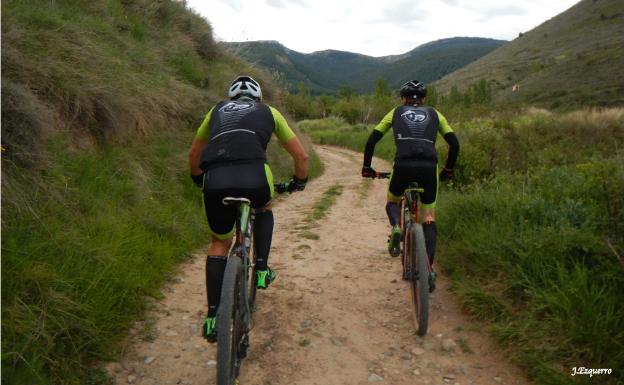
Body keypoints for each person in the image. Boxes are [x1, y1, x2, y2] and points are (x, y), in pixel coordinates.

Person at [188, 75, 309, 341]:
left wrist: (198, 178)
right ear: (258, 98)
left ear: (231, 97)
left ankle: (211, 317)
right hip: (255, 177)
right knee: (264, 207)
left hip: (216, 179)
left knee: (219, 243)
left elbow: (194, 154)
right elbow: (301, 155)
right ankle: (263, 269)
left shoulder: (216, 110)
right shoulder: (269, 112)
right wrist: (299, 181)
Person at [361, 80, 459, 291]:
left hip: (403, 164)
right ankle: (429, 269)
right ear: (423, 99)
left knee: (392, 201)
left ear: (403, 98)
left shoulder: (395, 112)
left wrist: (367, 167)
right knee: (429, 217)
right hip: (429, 167)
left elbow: (372, 140)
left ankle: (396, 226)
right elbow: (454, 143)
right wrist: (448, 169)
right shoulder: (435, 113)